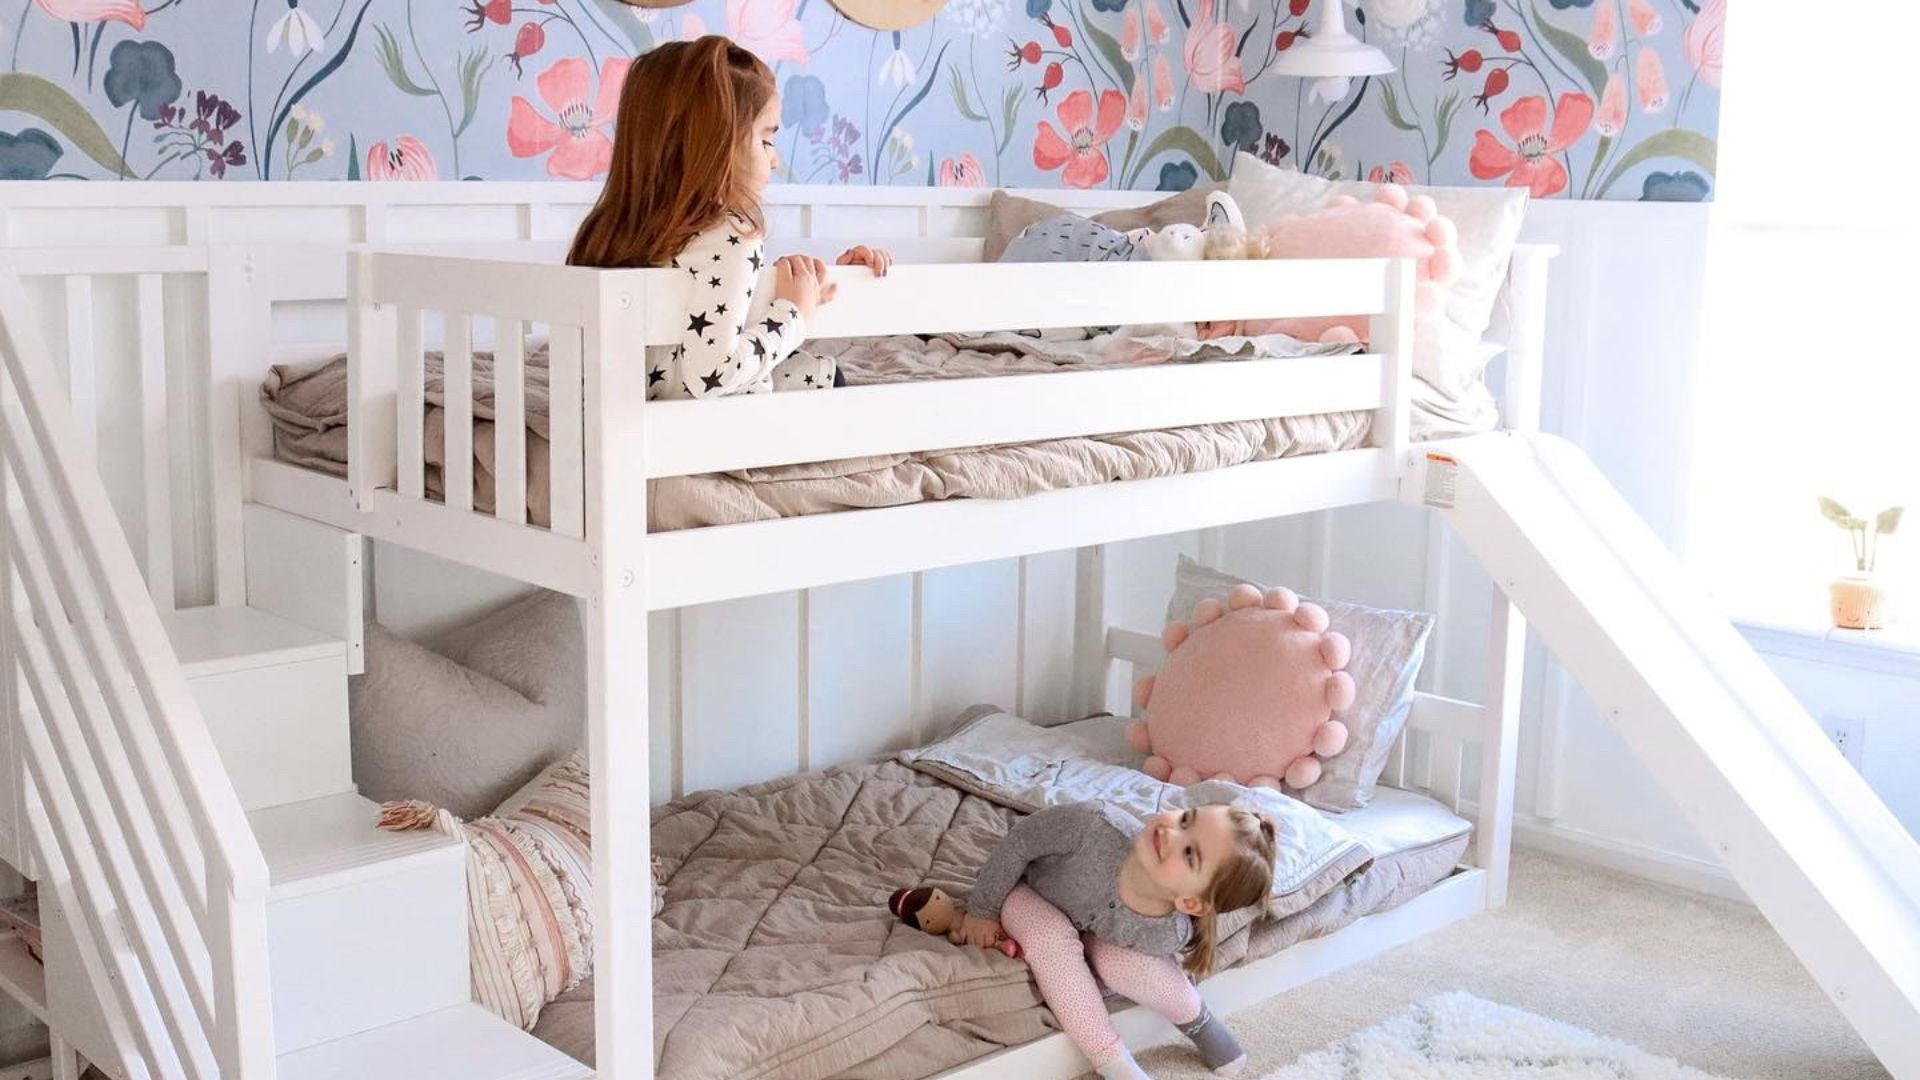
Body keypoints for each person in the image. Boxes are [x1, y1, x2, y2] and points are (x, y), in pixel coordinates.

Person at [567, 36, 893, 399]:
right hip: (701, 424)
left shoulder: (607, 229)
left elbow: (699, 326)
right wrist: (793, 312)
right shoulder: (732, 234)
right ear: (717, 145)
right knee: (826, 376)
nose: (775, 160)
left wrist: (810, 284)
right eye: (767, 141)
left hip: (625, 409)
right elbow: (711, 372)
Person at [960, 801, 1277, 1078]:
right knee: (1051, 939)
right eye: (1185, 819)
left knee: (1126, 964)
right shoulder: (1088, 824)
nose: (1170, 833)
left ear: (1190, 904)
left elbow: (1147, 969)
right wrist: (982, 910)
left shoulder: (1166, 931)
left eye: (1190, 853)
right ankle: (1113, 1063)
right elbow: (1019, 842)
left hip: (1090, 930)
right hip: (1028, 891)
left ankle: (1199, 1023)